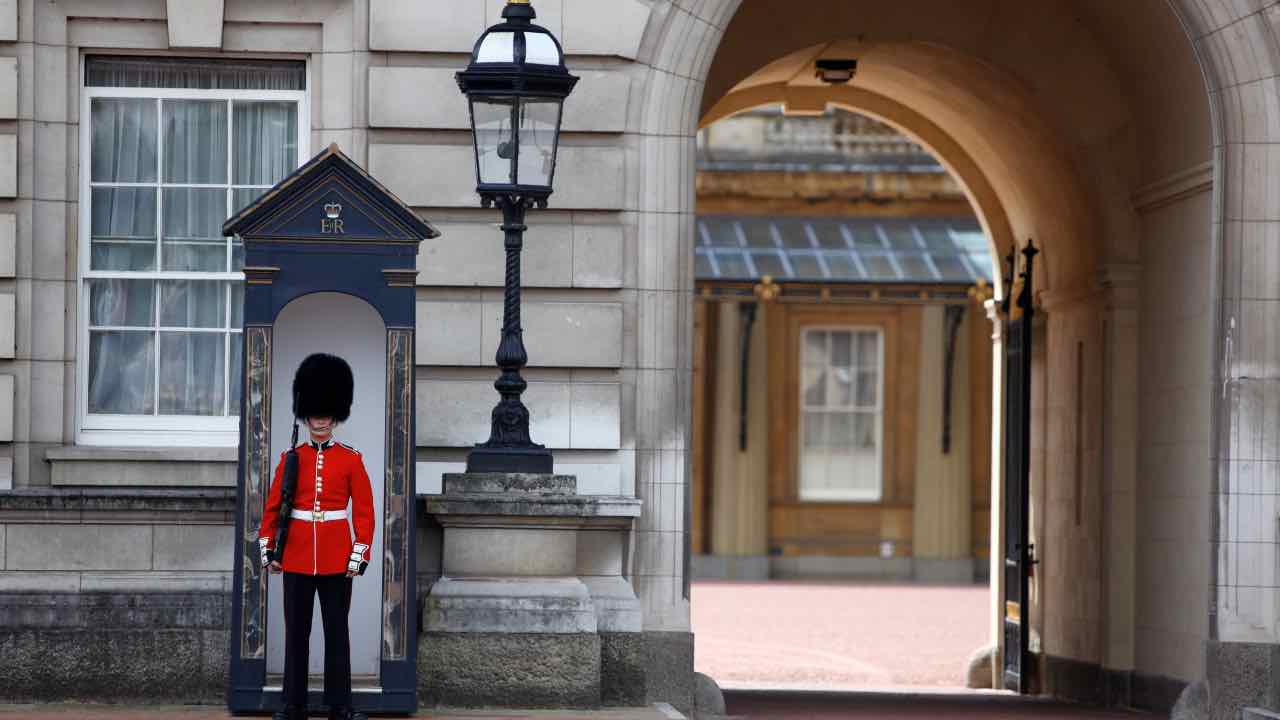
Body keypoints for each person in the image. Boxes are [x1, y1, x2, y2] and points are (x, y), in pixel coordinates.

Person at [258, 353, 375, 720]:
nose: (320, 419)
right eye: (314, 413)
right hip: (294, 555)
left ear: (335, 415)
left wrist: (359, 552)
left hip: (336, 557)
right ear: (305, 415)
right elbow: (274, 507)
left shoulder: (351, 459)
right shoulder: (290, 458)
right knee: (297, 634)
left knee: (337, 634)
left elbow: (364, 512)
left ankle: (340, 706)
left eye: (326, 412)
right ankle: (294, 705)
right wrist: (269, 549)